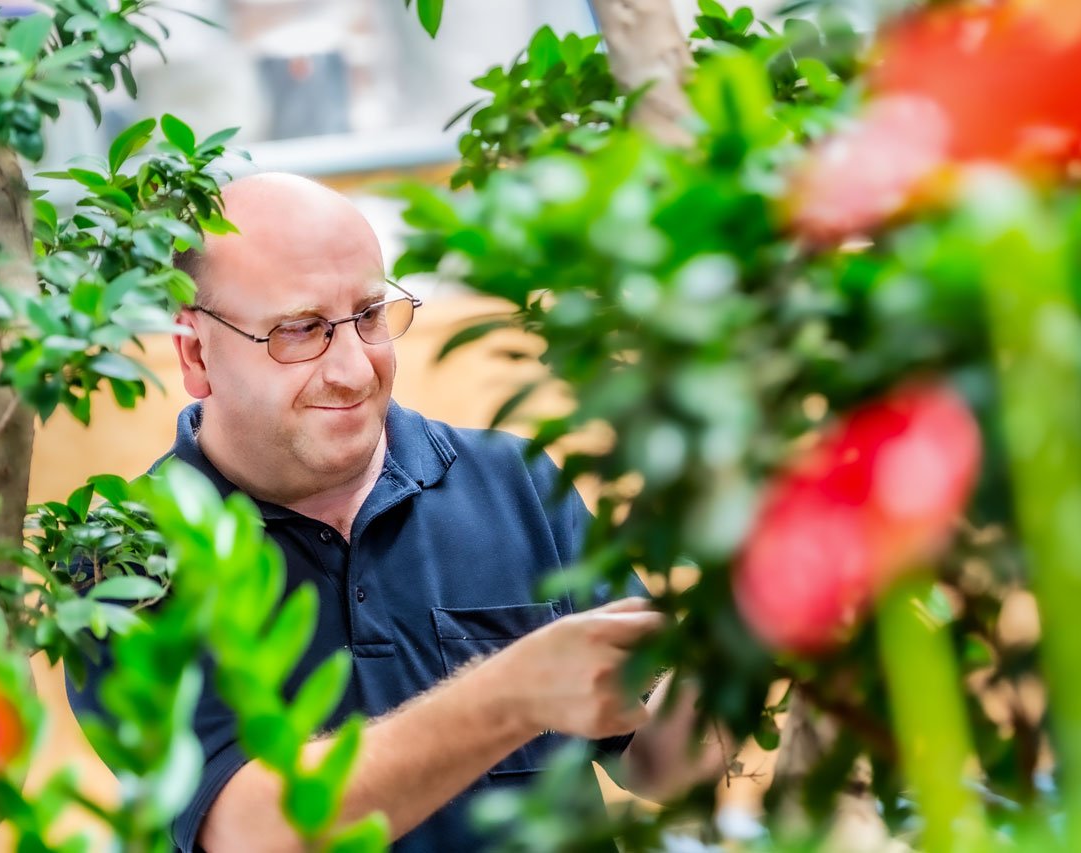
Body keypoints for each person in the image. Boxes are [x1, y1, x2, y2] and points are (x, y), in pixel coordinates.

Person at [66, 173, 728, 852]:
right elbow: (249, 828)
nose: (354, 370)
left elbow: (665, 765)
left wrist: (744, 631)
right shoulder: (125, 557)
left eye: (370, 315)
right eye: (301, 330)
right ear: (195, 351)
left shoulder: (516, 481)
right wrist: (514, 692)